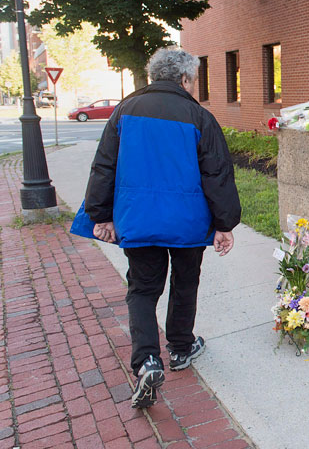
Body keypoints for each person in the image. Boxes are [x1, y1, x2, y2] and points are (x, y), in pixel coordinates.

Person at [80, 47, 242, 408]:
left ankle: (148, 361)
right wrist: (224, 223)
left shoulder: (124, 111)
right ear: (184, 79)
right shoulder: (198, 116)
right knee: (185, 283)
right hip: (187, 222)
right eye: (193, 80)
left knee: (142, 289)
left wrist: (100, 215)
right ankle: (181, 349)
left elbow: (103, 166)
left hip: (139, 219)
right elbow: (216, 173)